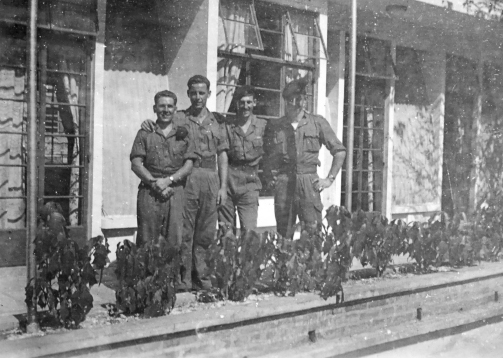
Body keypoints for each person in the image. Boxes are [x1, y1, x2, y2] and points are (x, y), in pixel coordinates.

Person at [141, 75, 228, 291]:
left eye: (202, 93)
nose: (198, 97)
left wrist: (223, 186)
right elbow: (161, 125)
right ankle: (184, 278)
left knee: (206, 230)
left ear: (209, 94)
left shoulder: (218, 121)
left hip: (210, 175)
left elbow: (223, 155)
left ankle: (203, 276)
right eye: (193, 93)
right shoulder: (179, 118)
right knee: (185, 230)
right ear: (188, 94)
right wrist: (148, 123)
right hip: (188, 176)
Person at [263, 77, 346, 238]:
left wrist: (329, 179)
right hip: (284, 182)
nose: (297, 103)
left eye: (301, 99)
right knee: (284, 233)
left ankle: (310, 264)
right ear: (287, 102)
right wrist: (271, 179)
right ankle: (285, 263)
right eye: (292, 100)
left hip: (309, 183)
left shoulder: (317, 123)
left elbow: (339, 151)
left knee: (312, 232)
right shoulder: (276, 126)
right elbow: (267, 156)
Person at [130, 90, 196, 252]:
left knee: (174, 240)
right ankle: (148, 277)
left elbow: (188, 166)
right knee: (147, 240)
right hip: (149, 191)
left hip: (175, 191)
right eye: (161, 106)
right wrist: (155, 183)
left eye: (169, 106)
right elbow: (136, 163)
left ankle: (171, 277)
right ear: (154, 108)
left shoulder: (184, 134)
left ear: (175, 109)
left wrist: (168, 181)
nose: (165, 110)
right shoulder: (145, 133)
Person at [219, 86, 267, 233]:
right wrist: (222, 187)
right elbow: (223, 155)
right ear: (237, 104)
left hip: (250, 183)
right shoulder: (227, 126)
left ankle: (247, 257)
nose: (245, 106)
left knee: (249, 231)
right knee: (226, 233)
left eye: (249, 102)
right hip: (229, 181)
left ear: (254, 103)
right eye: (242, 102)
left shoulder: (263, 126)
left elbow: (271, 154)